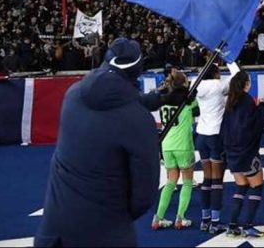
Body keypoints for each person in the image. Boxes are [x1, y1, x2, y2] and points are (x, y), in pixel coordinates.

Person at [35, 38, 172, 246]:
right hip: (107, 234)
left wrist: (159, 98)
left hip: (55, 232)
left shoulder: (73, 95)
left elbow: (114, 106)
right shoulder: (139, 120)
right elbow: (143, 197)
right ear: (138, 69)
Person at [219, 70, 264, 238]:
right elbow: (255, 126)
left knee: (241, 186)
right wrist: (262, 107)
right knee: (257, 186)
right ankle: (247, 225)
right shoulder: (247, 102)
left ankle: (232, 224)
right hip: (246, 153)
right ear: (247, 83)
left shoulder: (230, 101)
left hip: (231, 153)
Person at [195, 63, 239, 233]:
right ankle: (215, 222)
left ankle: (205, 220)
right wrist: (229, 60)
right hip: (215, 136)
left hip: (201, 136)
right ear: (215, 73)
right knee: (216, 181)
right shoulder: (218, 85)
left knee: (207, 179)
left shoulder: (196, 84)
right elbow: (237, 75)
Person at [152, 70, 197, 231]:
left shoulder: (163, 100)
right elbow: (197, 110)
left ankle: (158, 217)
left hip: (166, 145)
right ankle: (180, 217)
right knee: (187, 182)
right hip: (183, 145)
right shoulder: (188, 100)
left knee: (170, 181)